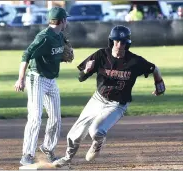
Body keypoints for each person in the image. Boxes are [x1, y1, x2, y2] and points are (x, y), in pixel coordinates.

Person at [52, 25, 166, 168]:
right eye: (116, 41)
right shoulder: (101, 55)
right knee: (74, 134)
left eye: (123, 42)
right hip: (97, 99)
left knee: (96, 131)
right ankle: (67, 159)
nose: (119, 45)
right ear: (111, 41)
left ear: (127, 44)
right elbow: (81, 78)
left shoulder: (135, 61)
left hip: (117, 105)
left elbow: (154, 69)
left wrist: (159, 85)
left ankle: (98, 142)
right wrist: (86, 71)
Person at [14, 7, 72, 166]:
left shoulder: (60, 36)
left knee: (55, 118)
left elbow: (54, 55)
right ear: (62, 21)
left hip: (51, 80)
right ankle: (27, 154)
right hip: (36, 78)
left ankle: (48, 149)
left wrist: (61, 58)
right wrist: (21, 78)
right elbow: (26, 54)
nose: (67, 21)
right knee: (35, 116)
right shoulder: (44, 37)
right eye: (66, 19)